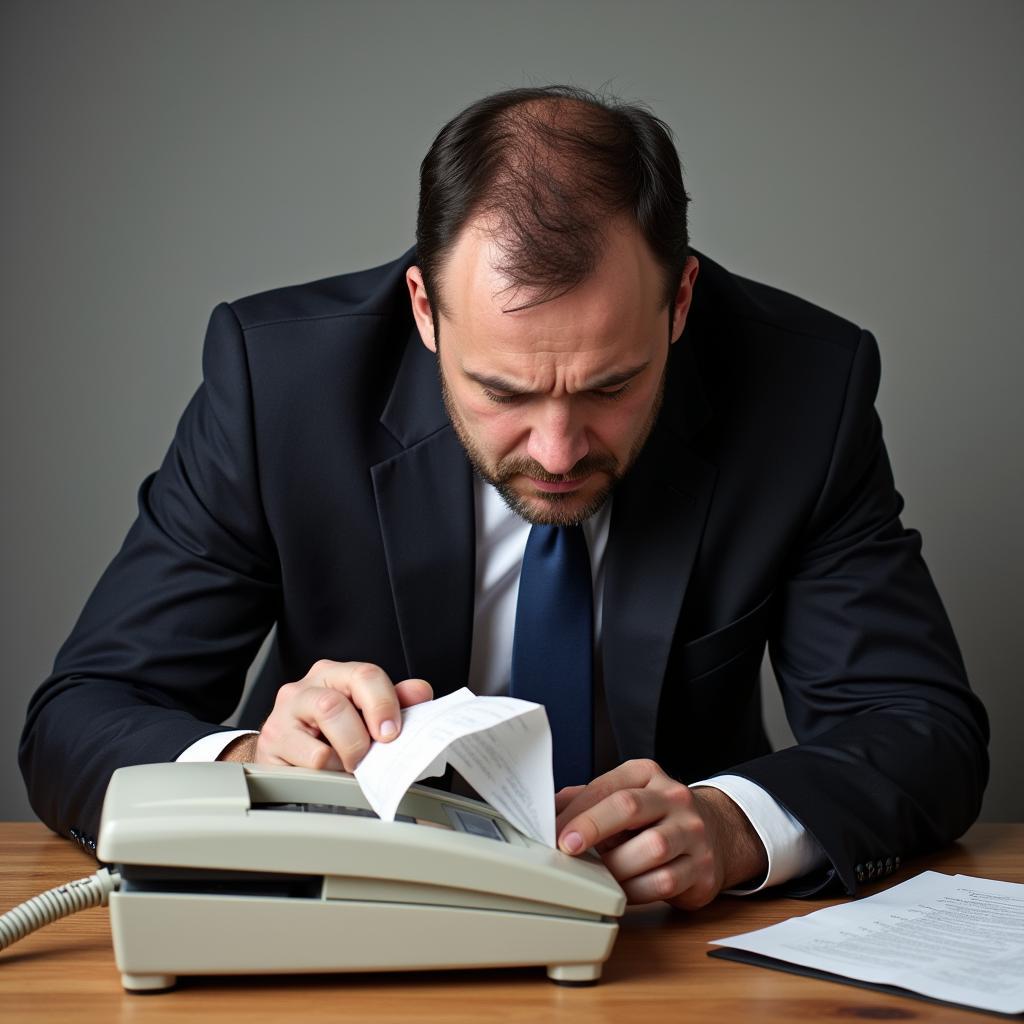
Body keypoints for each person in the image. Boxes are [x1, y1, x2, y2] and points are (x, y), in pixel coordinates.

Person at [20, 86, 988, 908]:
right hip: (355, 940)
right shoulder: (277, 388)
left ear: (680, 303)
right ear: (423, 312)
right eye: (504, 392)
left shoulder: (802, 392)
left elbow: (921, 729)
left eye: (610, 386)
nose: (558, 451)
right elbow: (81, 715)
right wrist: (248, 770)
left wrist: (734, 825)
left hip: (673, 962)